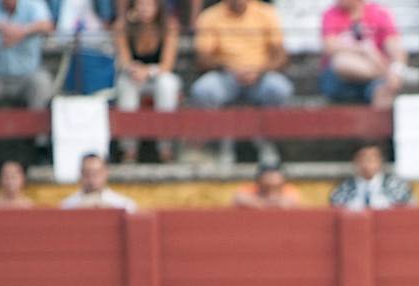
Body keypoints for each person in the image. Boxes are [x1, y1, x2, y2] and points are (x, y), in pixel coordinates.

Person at [190, 0, 292, 166]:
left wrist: (260, 71)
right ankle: (218, 146)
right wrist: (228, 68)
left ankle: (268, 143)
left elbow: (280, 54)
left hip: (261, 75)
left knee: (279, 88)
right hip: (225, 74)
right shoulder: (210, 16)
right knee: (204, 90)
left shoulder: (266, 13)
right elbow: (202, 58)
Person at [0, 0, 55, 125]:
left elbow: (48, 26)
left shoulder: (34, 4)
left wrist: (23, 31)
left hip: (28, 74)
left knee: (42, 82)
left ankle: (41, 141)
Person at [113, 0, 181, 162]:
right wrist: (133, 69)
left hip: (157, 74)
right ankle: (129, 150)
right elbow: (123, 60)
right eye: (141, 5)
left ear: (158, 7)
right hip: (133, 76)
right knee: (126, 86)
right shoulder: (122, 26)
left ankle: (165, 147)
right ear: (134, 6)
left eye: (149, 5)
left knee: (167, 84)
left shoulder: (169, 26)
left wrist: (148, 71)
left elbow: (167, 64)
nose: (145, 9)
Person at [320, 0, 419, 109]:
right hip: (340, 80)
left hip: (373, 78)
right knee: (341, 61)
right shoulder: (331, 14)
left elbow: (395, 46)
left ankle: (379, 125)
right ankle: (388, 73)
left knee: (385, 89)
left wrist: (397, 66)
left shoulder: (379, 13)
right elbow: (329, 47)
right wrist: (364, 50)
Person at [329, 140, 414, 208]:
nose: (367, 164)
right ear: (355, 161)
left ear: (380, 161)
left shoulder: (397, 187)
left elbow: (410, 213)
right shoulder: (343, 189)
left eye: (372, 159)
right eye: (363, 159)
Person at [60, 152, 138, 209]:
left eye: (96, 173)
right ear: (81, 174)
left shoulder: (124, 204)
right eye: (87, 173)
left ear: (105, 173)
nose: (91, 178)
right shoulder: (67, 206)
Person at [233, 161, 303, 206]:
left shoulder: (287, 189)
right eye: (267, 173)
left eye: (274, 172)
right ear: (259, 177)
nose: (271, 176)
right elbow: (240, 198)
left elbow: (290, 202)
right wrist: (267, 203)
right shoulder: (251, 188)